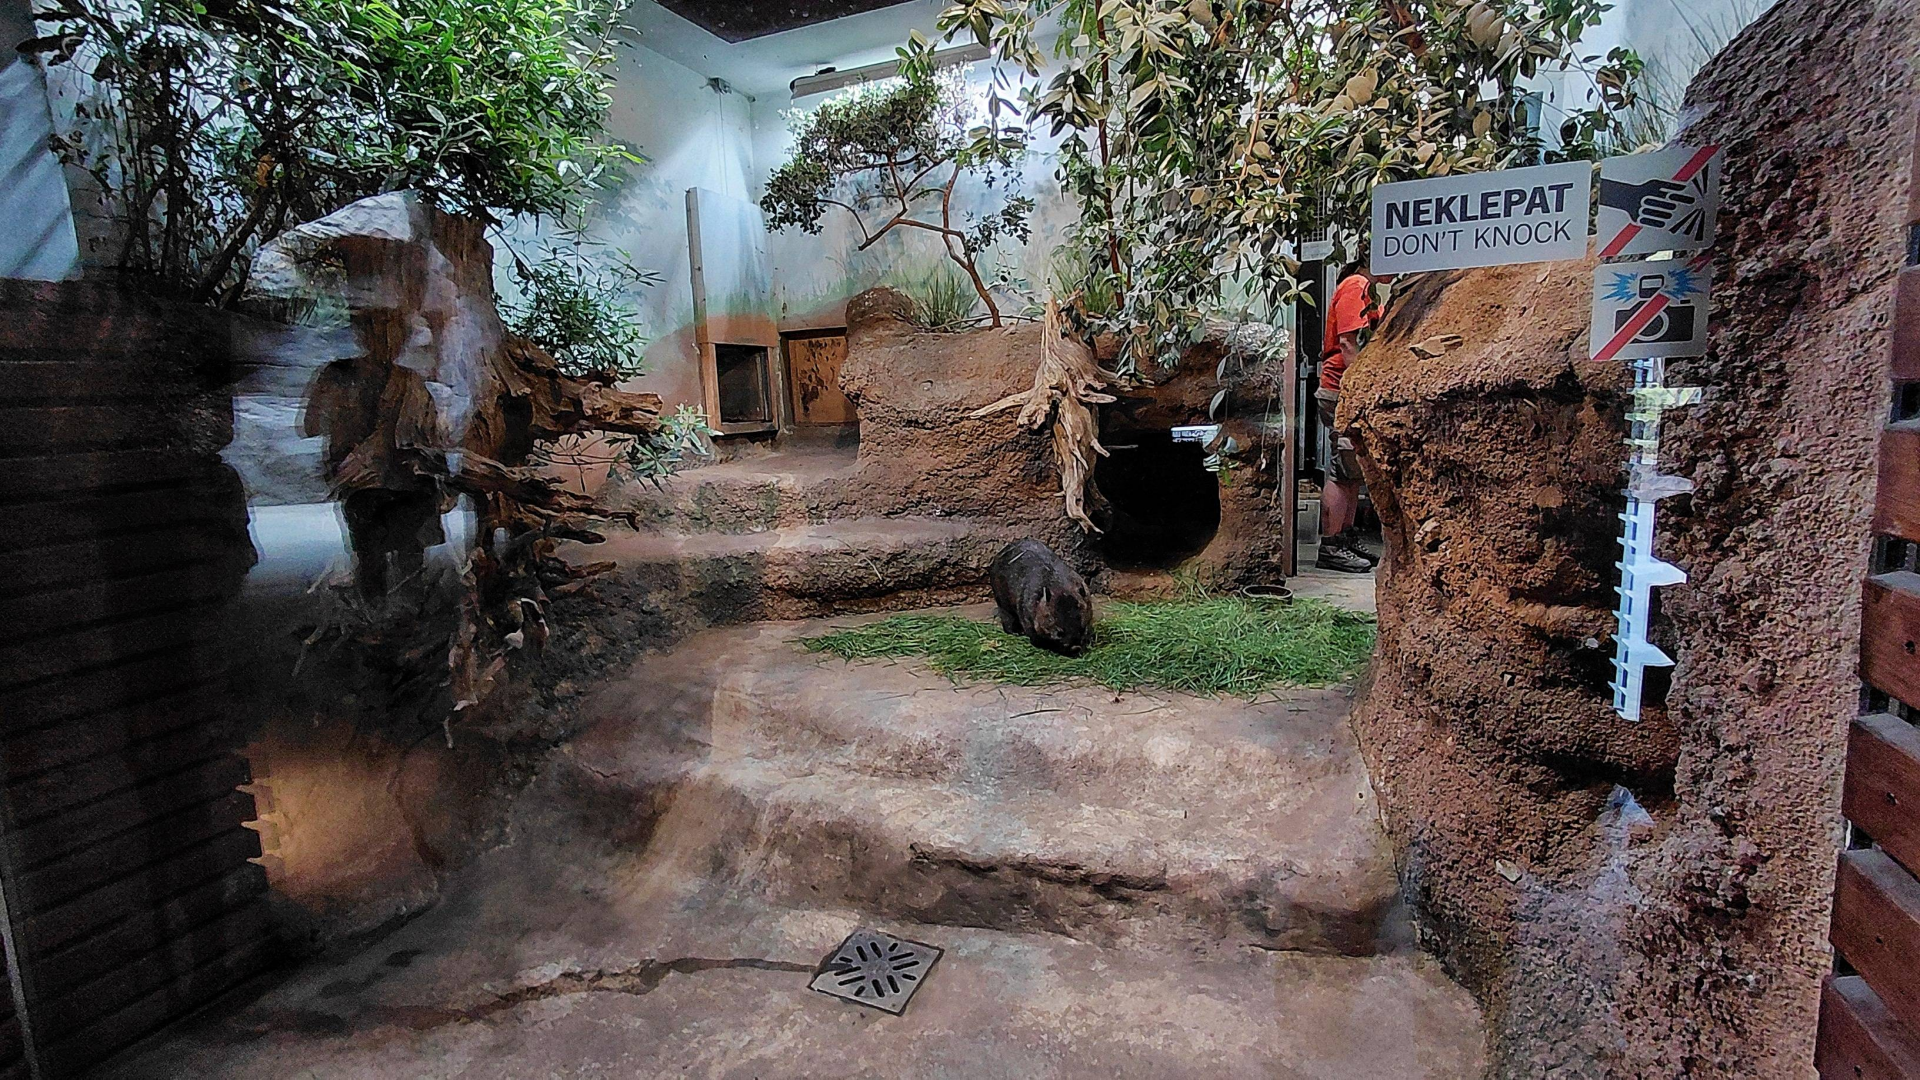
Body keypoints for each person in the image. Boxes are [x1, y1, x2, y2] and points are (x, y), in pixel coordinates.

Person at [1316, 258, 1394, 573]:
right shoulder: (1355, 286)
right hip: (1340, 388)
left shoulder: (1368, 289)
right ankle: (1331, 546)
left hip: (1345, 388)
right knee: (1342, 467)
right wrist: (1361, 390)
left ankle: (1343, 540)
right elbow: (1349, 343)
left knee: (1350, 472)